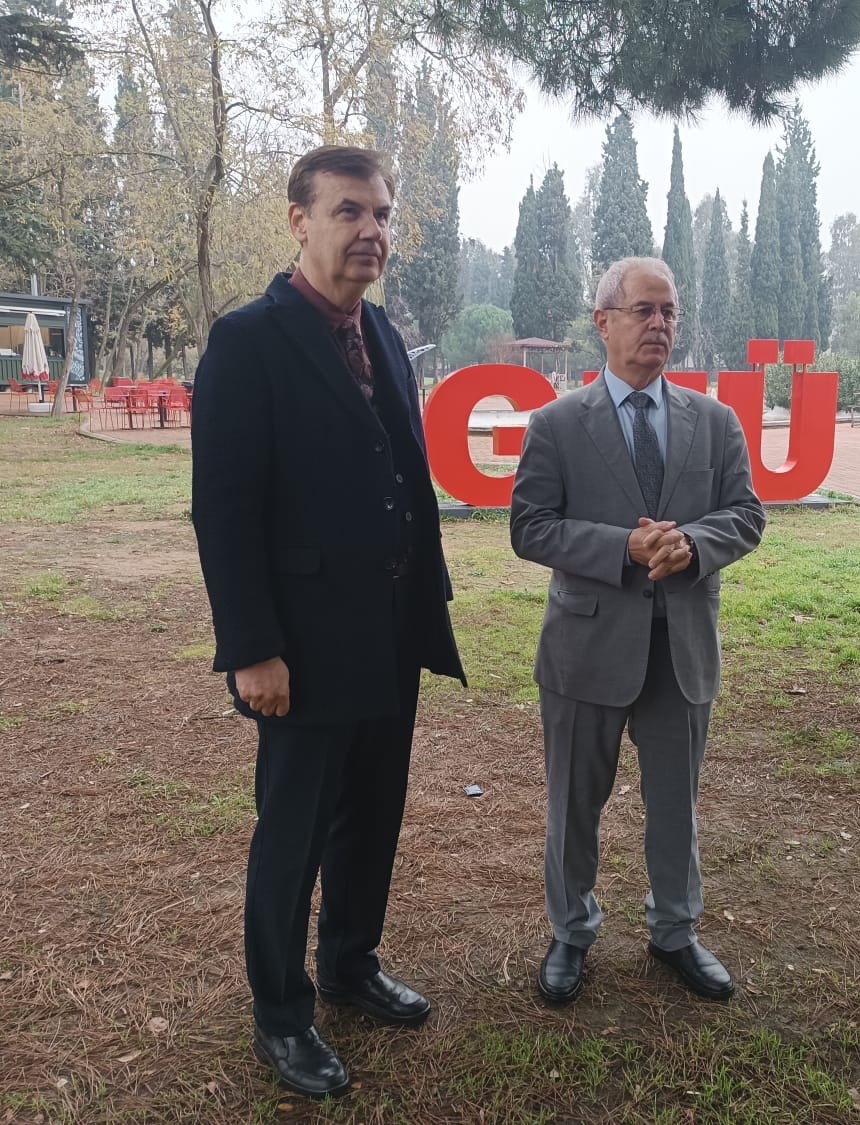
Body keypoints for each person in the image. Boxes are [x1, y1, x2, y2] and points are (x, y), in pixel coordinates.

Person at [190, 145, 463, 1099]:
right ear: (298, 220)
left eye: (382, 214)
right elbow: (224, 511)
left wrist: (425, 600)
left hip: (391, 629)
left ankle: (350, 962)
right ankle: (281, 1011)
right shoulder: (247, 341)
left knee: (373, 813)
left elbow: (402, 475)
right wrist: (252, 648)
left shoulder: (380, 330)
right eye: (349, 211)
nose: (371, 230)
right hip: (301, 647)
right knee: (293, 833)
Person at [509, 256, 765, 1004]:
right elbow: (530, 527)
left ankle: (675, 930)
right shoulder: (557, 425)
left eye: (669, 311)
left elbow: (746, 514)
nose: (659, 324)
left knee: (676, 804)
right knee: (573, 804)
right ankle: (570, 930)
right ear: (603, 322)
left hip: (680, 649)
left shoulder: (714, 423)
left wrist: (695, 544)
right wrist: (622, 547)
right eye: (643, 310)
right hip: (585, 649)